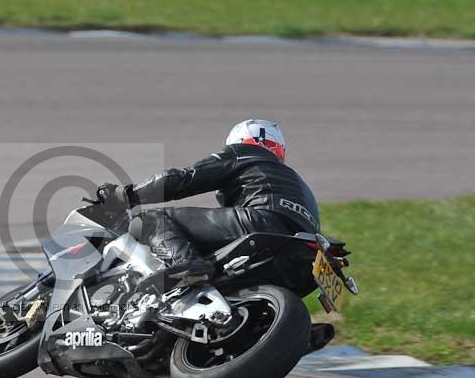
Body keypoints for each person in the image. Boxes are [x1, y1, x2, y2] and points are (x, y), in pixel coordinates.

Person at [98, 119, 320, 287]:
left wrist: (126, 195)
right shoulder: (297, 182)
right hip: (303, 244)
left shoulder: (243, 153)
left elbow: (184, 179)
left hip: (261, 222)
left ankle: (186, 263)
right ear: (280, 149)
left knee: (151, 219)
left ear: (238, 141)